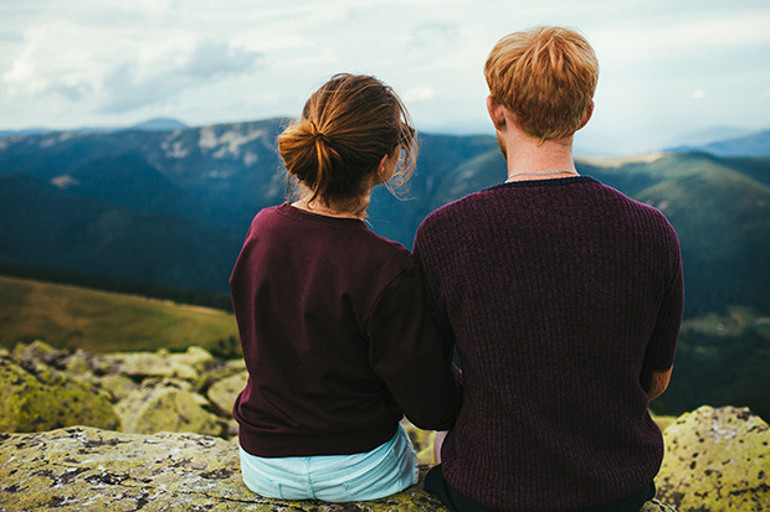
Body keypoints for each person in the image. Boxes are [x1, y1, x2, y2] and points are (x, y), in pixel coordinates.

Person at [416, 27, 684, 512]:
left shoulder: (445, 232)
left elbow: (431, 377)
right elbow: (655, 380)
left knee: (440, 444)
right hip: (617, 490)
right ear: (585, 113)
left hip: (488, 489)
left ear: (496, 109)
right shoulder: (652, 231)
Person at [229, 73, 461, 503]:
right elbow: (432, 409)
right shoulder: (388, 267)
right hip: (361, 468)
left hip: (264, 463)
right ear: (386, 163)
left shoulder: (262, 231)